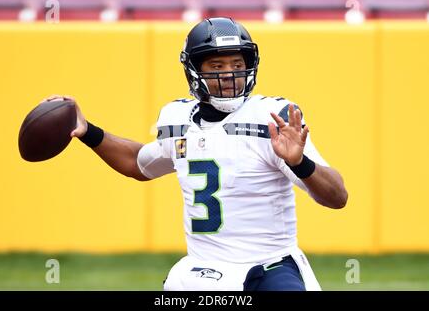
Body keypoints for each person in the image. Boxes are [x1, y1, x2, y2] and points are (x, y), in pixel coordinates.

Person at [45, 17, 348, 291]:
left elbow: (337, 197)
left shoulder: (272, 119)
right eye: (217, 66)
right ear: (194, 71)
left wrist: (299, 162)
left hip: (270, 266)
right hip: (206, 269)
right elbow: (138, 163)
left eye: (236, 64)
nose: (229, 74)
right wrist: (88, 132)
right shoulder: (178, 121)